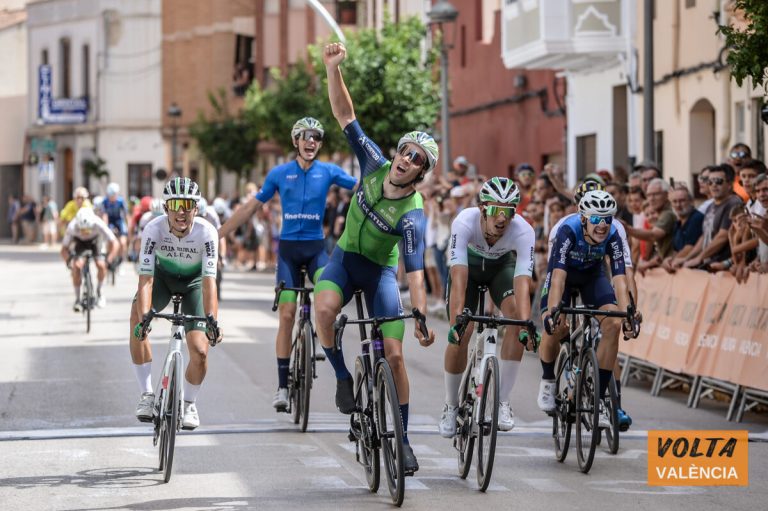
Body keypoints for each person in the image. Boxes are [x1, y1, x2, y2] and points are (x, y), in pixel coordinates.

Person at [316, 42, 437, 475]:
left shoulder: (412, 212)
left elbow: (415, 269)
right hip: (346, 258)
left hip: (381, 273)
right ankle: (343, 377)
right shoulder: (373, 162)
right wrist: (333, 70)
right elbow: (346, 116)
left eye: (416, 160)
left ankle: (403, 440)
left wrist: (420, 313)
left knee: (396, 355)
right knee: (325, 310)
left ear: (421, 173)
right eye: (406, 151)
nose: (406, 160)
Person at [218, 116, 356, 411]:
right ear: (295, 141)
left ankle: (324, 338)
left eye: (317, 137)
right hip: (289, 253)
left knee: (327, 300)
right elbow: (251, 207)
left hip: (317, 250)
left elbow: (363, 187)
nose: (311, 141)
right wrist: (217, 234)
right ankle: (282, 387)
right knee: (286, 315)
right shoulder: (280, 174)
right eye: (305, 136)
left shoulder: (329, 171)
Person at [438, 177, 536, 437]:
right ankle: (450, 405)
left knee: (515, 320)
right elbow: (458, 277)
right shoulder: (464, 222)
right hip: (468, 271)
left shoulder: (523, 231)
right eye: (495, 210)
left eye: (509, 211)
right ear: (482, 208)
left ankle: (502, 402)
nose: (502, 218)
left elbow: (523, 281)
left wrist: (525, 323)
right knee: (463, 333)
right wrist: (456, 322)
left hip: (499, 271)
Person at [538, 190, 639, 429]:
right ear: (584, 218)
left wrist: (627, 314)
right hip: (563, 276)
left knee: (613, 324)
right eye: (596, 218)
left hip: (592, 277)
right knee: (554, 326)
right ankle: (548, 379)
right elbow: (558, 278)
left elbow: (620, 279)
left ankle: (601, 398)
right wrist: (553, 310)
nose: (602, 224)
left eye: (607, 218)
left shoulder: (613, 234)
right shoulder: (568, 230)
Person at [130, 177, 222, 430]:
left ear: (196, 208)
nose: (181, 211)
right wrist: (146, 316)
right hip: (162, 279)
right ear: (166, 207)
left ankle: (189, 403)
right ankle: (147, 395)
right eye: (175, 204)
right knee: (137, 317)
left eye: (188, 204)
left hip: (194, 283)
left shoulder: (207, 232)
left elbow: (208, 281)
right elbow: (146, 279)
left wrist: (212, 319)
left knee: (200, 351)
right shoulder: (153, 229)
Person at [678, 164, 744, 269]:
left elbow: (723, 236)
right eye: (710, 182)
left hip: (725, 267)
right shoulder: (711, 206)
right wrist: (688, 258)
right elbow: (704, 237)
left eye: (718, 181)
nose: (713, 185)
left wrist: (699, 258)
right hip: (711, 265)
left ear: (730, 184)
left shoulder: (733, 203)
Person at [60, 208, 119, 310]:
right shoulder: (72, 226)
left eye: (88, 230)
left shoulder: (98, 223)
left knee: (101, 264)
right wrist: (69, 263)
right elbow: (63, 249)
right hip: (80, 243)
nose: (85, 233)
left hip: (96, 240)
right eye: (82, 230)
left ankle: (99, 292)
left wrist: (109, 260)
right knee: (77, 266)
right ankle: (77, 299)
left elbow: (115, 243)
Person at [102, 182, 129, 264]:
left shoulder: (121, 201)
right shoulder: (105, 201)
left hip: (119, 221)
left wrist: (128, 225)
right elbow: (104, 215)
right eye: (110, 195)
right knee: (110, 240)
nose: (112, 197)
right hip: (110, 221)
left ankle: (120, 260)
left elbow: (126, 214)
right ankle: (110, 256)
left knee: (123, 242)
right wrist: (105, 226)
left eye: (113, 195)